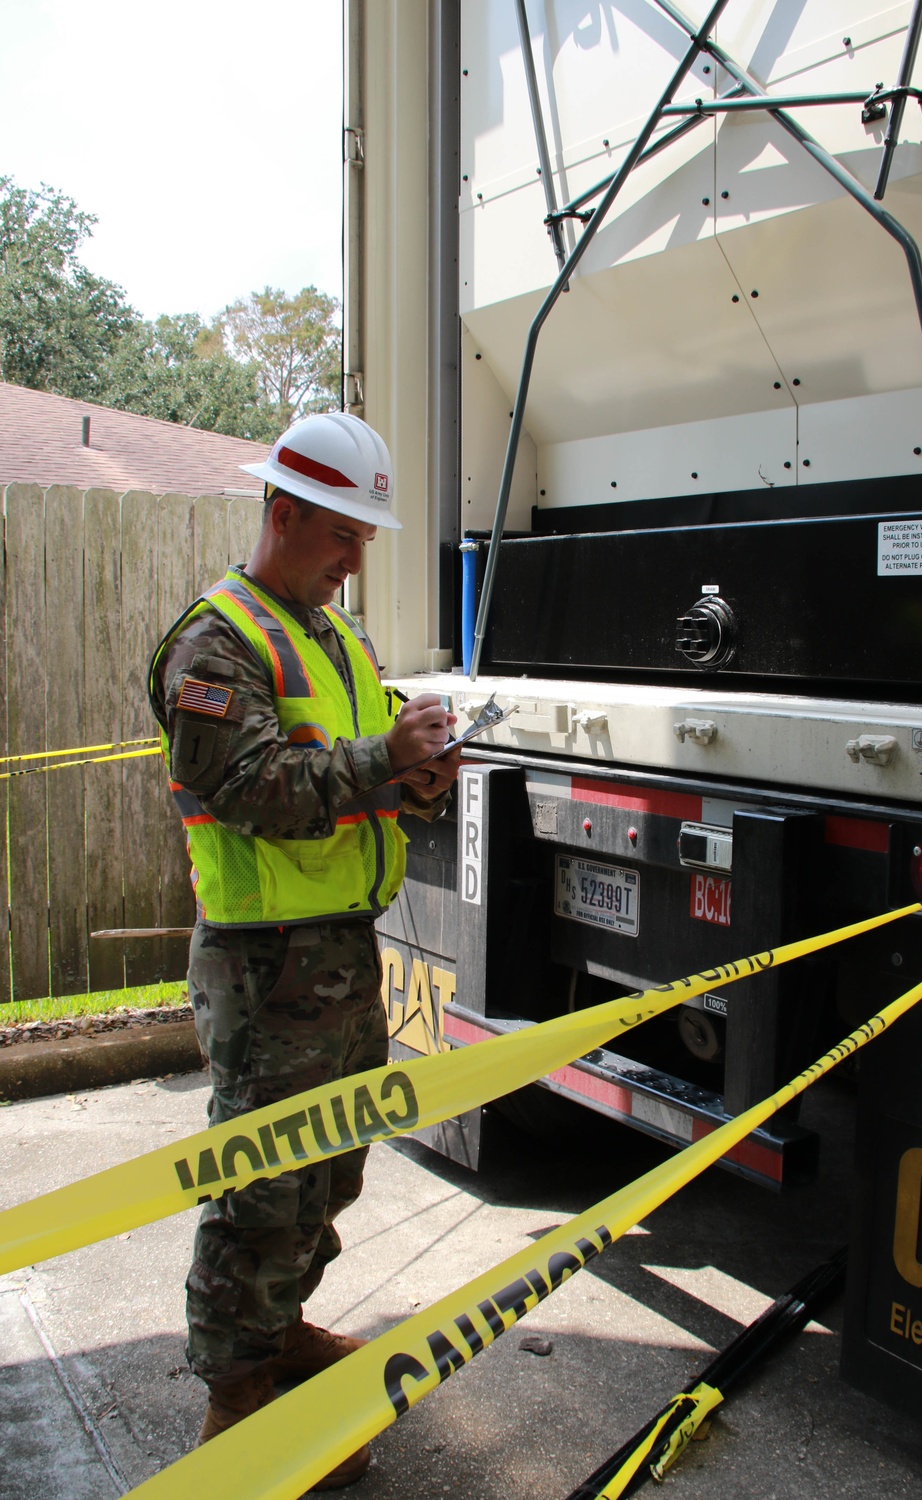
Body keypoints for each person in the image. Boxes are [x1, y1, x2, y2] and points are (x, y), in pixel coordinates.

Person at [148, 412, 460, 1489]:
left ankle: (279, 1336)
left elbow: (353, 768)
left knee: (327, 1177)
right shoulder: (216, 643)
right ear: (282, 512)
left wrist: (416, 772)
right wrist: (383, 752)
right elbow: (249, 790)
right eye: (343, 533)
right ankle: (237, 1409)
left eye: (365, 537)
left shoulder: (332, 638)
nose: (355, 556)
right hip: (262, 967)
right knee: (259, 1192)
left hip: (339, 956)